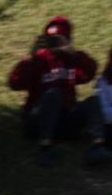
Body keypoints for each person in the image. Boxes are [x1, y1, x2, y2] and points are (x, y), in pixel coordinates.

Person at [6, 16, 96, 166]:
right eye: (51, 39)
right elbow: (14, 84)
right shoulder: (38, 59)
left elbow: (90, 74)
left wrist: (75, 54)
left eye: (59, 39)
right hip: (37, 123)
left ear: (68, 40)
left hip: (63, 122)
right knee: (53, 94)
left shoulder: (72, 59)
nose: (54, 43)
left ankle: (98, 146)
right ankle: (45, 147)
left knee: (94, 101)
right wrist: (29, 58)